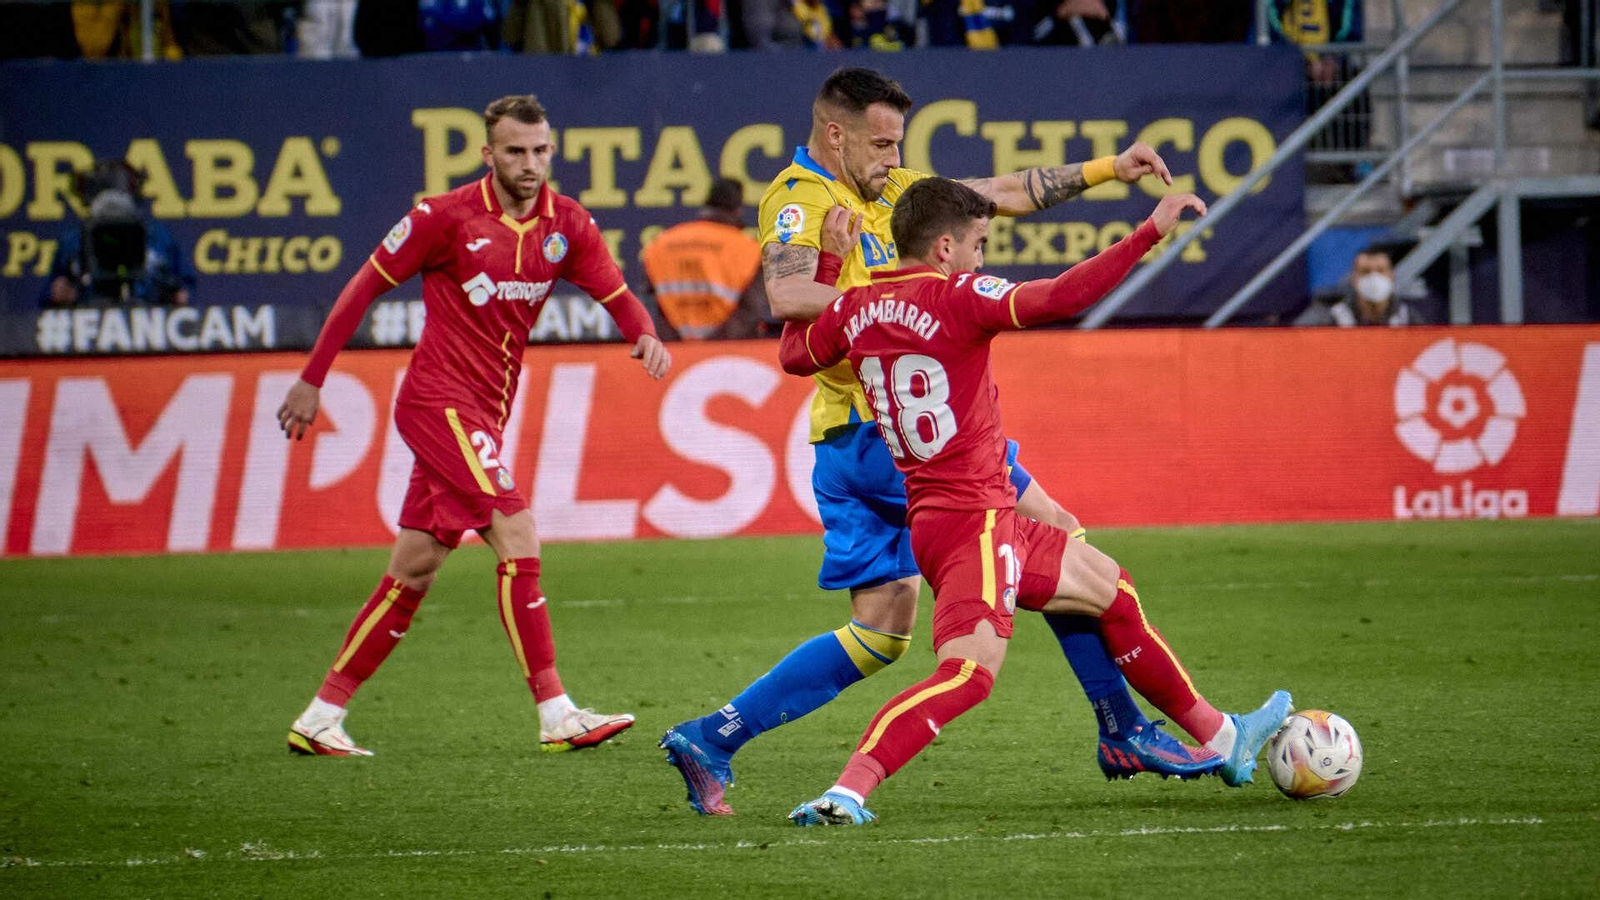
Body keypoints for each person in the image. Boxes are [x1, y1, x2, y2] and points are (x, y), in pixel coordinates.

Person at [660, 67, 1219, 818]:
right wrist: (906, 305)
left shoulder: (890, 190)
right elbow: (786, 297)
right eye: (882, 143)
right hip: (901, 436)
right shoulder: (802, 198)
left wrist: (1105, 170)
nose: (894, 157)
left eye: (899, 143)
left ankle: (713, 735)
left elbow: (995, 193)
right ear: (836, 133)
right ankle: (1124, 728)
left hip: (859, 441)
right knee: (1058, 541)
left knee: (880, 631)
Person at [778, 177, 1291, 825]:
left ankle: (1221, 735)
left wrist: (829, 259)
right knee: (969, 676)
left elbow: (795, 354)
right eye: (978, 245)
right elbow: (1062, 294)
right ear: (942, 248)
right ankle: (845, 791)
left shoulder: (855, 305)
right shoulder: (958, 296)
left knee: (1109, 588)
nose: (981, 260)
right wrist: (1150, 232)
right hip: (978, 526)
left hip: (947, 517)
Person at [278, 95, 671, 757]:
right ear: (488, 154)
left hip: (484, 412)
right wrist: (312, 378)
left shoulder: (565, 224)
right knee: (517, 532)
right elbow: (362, 288)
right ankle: (556, 711)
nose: (530, 163)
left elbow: (614, 292)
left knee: (417, 565)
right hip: (439, 404)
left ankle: (321, 716)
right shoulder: (444, 218)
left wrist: (645, 335)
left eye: (540, 150)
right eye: (515, 151)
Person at [45, 159, 194, 308]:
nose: (112, 201)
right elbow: (46, 300)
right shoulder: (72, 242)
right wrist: (57, 296)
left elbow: (186, 285)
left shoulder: (158, 236)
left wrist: (180, 295)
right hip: (89, 317)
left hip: (147, 317)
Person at [640, 177, 767, 340]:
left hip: (671, 352)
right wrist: (710, 348)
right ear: (738, 210)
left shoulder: (661, 244)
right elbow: (750, 311)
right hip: (727, 355)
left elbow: (648, 307)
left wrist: (676, 345)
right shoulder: (748, 250)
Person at [1295, 245, 1424, 327]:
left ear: (1391, 276)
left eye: (1380, 270)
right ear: (1354, 278)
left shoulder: (1408, 318)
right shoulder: (1331, 318)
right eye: (1365, 271)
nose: (1374, 277)